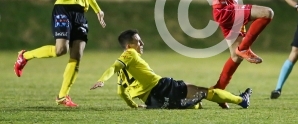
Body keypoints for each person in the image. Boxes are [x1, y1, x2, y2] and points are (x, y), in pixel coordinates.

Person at [90, 29, 252, 109]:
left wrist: (133, 106)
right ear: (128, 46)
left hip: (152, 101)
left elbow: (121, 92)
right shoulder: (129, 54)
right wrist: (101, 80)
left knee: (191, 102)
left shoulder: (124, 70)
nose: (142, 44)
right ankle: (241, 100)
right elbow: (114, 66)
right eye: (138, 41)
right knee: (204, 92)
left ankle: (194, 104)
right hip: (161, 87)